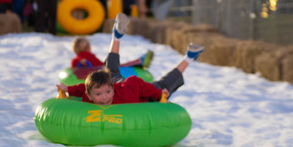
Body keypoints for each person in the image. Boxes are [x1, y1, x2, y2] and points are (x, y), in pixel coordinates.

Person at [57, 13, 204, 105]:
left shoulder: (127, 92)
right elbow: (83, 87)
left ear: (112, 90)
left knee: (163, 85)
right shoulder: (90, 94)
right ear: (90, 95)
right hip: (110, 81)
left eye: (107, 93)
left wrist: (159, 94)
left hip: (130, 86)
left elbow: (136, 82)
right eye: (98, 95)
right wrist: (68, 89)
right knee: (109, 70)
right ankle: (116, 36)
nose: (104, 98)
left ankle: (189, 58)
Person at [70, 36, 153, 70]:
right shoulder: (88, 56)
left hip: (101, 68)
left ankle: (140, 61)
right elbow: (100, 64)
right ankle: (140, 61)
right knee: (121, 66)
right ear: (88, 47)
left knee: (119, 65)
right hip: (104, 69)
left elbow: (74, 64)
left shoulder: (76, 59)